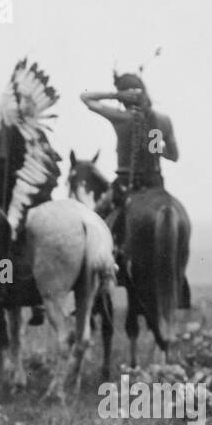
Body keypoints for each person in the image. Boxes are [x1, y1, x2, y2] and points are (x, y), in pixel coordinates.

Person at [79, 73, 177, 286]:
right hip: (156, 185)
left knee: (95, 221)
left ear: (123, 98)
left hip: (125, 186)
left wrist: (114, 94)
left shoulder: (121, 117)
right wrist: (153, 144)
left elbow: (85, 98)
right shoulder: (162, 120)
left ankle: (101, 273)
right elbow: (173, 156)